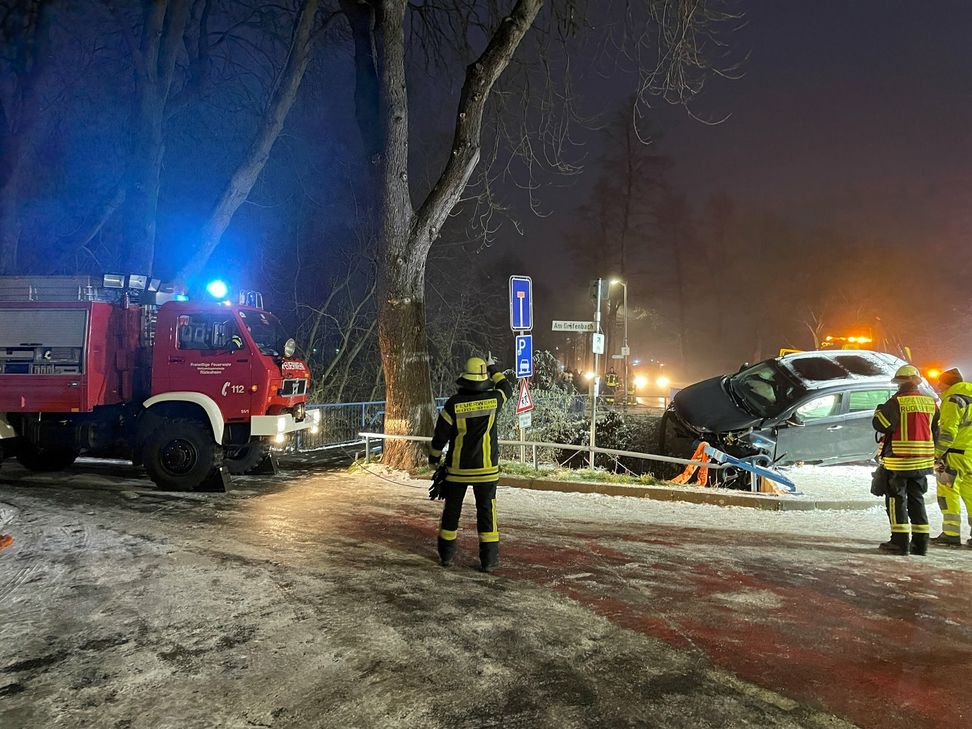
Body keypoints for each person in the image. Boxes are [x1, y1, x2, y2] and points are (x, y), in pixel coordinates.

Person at [429, 356, 513, 572]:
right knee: (486, 512)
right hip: (486, 470)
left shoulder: (453, 404)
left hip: (457, 470)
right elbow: (507, 387)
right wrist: (493, 367)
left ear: (465, 378)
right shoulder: (495, 399)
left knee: (452, 511)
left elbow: (440, 436)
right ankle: (489, 561)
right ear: (484, 379)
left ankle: (446, 555)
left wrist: (434, 458)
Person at [872, 364, 939, 555]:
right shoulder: (931, 403)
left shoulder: (896, 402)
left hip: (899, 461)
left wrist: (878, 411)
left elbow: (881, 425)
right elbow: (935, 430)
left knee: (896, 499)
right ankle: (920, 544)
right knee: (917, 499)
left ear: (899, 383)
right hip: (922, 461)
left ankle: (899, 542)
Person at [931, 367, 972, 547]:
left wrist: (937, 454)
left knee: (948, 491)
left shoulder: (953, 400)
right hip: (970, 455)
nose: (938, 386)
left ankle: (951, 534)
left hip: (955, 454)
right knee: (970, 494)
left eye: (940, 382)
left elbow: (948, 432)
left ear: (947, 383)